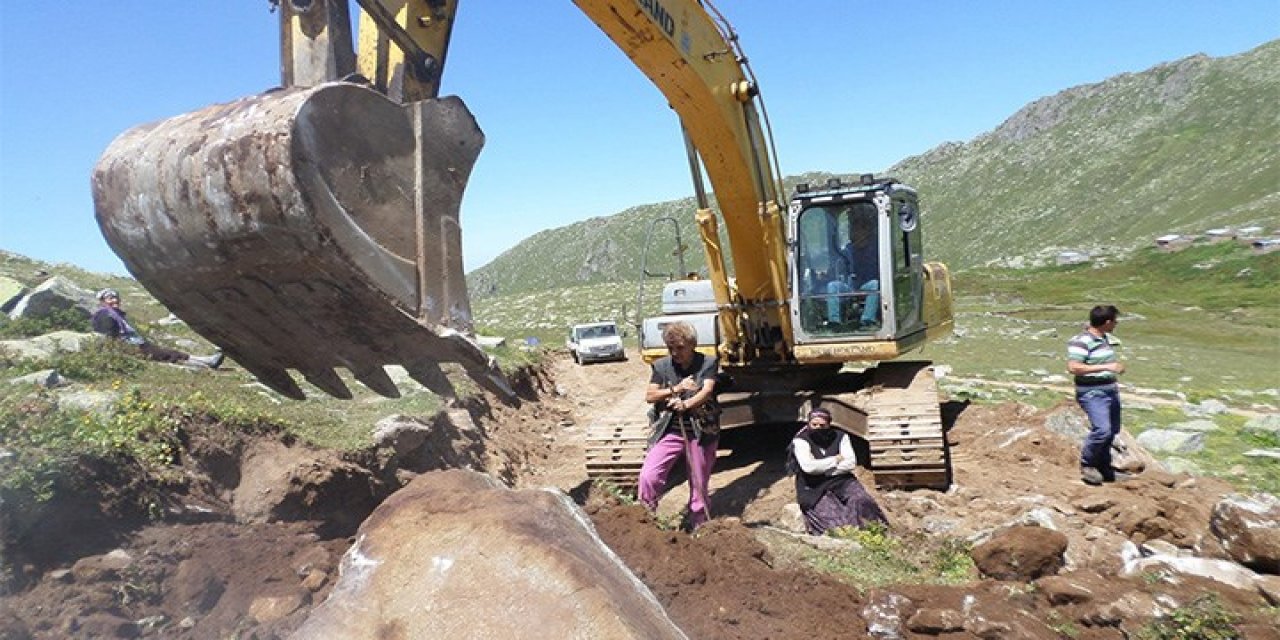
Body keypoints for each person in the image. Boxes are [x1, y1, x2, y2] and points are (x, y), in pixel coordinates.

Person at [638, 321, 720, 530]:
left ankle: (699, 523)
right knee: (649, 475)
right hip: (670, 429)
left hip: (700, 431)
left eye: (680, 348)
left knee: (699, 480)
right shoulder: (661, 366)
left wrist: (686, 404)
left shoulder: (708, 362)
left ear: (692, 344)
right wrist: (675, 389)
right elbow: (650, 395)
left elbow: (706, 391)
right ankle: (645, 515)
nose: (675, 352)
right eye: (671, 348)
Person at [787, 407, 887, 535]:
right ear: (809, 424)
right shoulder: (801, 441)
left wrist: (825, 471)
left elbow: (850, 463)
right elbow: (809, 467)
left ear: (829, 424)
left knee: (862, 500)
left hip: (841, 481)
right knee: (836, 525)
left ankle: (877, 531)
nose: (818, 428)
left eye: (822, 425)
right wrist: (835, 459)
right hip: (813, 487)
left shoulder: (840, 437)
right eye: (814, 424)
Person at [92, 289, 224, 369]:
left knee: (166, 352)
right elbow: (110, 336)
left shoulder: (114, 314)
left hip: (136, 345)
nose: (115, 300)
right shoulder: (105, 315)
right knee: (168, 354)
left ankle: (204, 361)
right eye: (110, 298)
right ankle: (207, 362)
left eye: (116, 297)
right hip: (131, 347)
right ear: (103, 301)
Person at [1067, 305, 1125, 485]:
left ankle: (1105, 468)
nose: (1116, 324)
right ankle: (1088, 465)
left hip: (1109, 390)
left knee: (1112, 431)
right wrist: (1107, 367)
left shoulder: (1104, 339)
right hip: (1093, 393)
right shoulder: (1082, 341)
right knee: (1102, 430)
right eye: (1115, 321)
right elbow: (1074, 367)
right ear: (1107, 322)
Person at [825, 215, 880, 327]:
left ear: (865, 231)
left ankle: (867, 320)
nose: (852, 232)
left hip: (867, 286)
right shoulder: (848, 249)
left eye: (856, 229)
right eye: (851, 229)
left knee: (875, 284)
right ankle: (834, 322)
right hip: (850, 286)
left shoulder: (876, 249)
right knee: (833, 286)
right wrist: (827, 273)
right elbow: (838, 265)